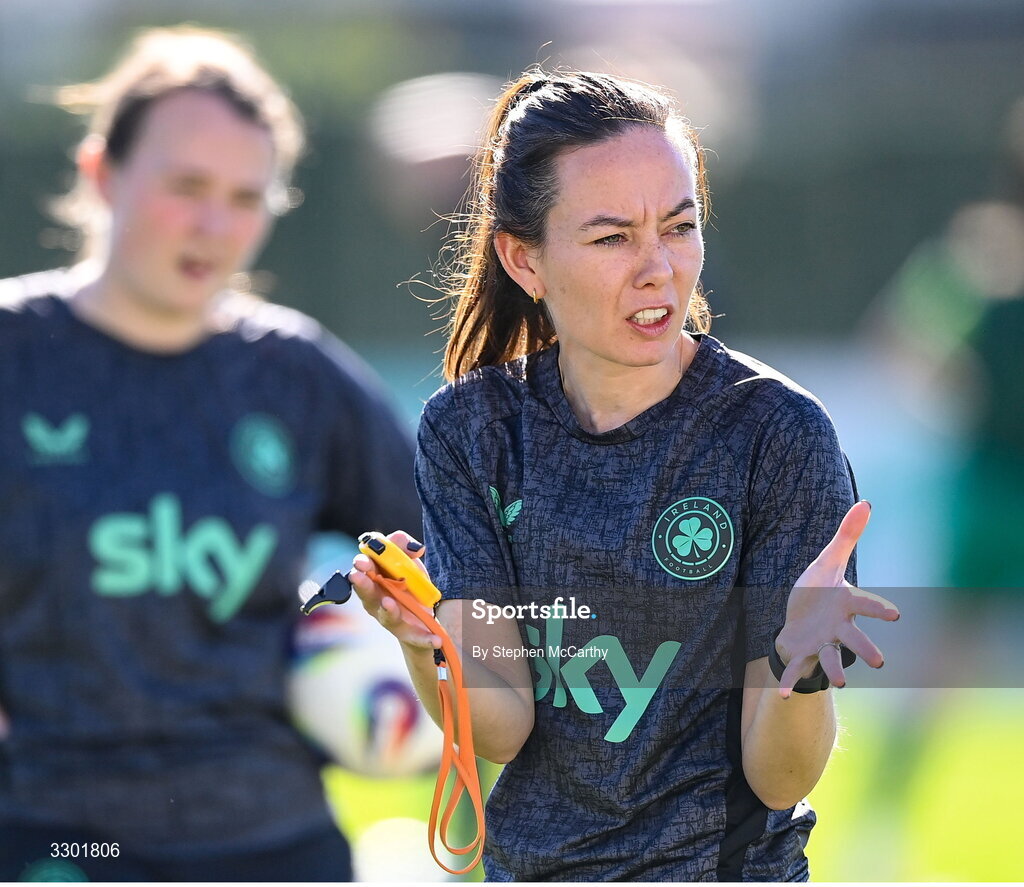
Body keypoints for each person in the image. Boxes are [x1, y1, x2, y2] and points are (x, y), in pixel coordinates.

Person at [350, 69, 900, 881]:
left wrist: (799, 665)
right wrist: (422, 640)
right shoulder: (468, 431)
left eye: (677, 227)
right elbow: (498, 726)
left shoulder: (776, 433)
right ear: (523, 259)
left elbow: (780, 776)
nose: (658, 269)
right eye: (612, 237)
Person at [0, 26, 422, 882]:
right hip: (61, 840)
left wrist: (384, 636)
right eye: (186, 185)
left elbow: (455, 552)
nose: (214, 224)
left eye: (245, 196)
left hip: (276, 842)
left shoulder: (298, 376)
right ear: (101, 174)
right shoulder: (16, 354)